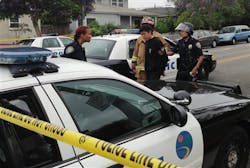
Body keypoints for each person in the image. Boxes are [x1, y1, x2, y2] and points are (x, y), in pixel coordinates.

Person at [131, 16, 170, 81]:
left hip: (153, 67)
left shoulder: (158, 37)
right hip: (142, 67)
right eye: (144, 25)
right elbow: (136, 51)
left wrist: (159, 57)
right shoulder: (140, 38)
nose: (145, 26)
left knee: (152, 85)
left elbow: (165, 48)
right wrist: (133, 62)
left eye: (148, 25)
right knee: (142, 86)